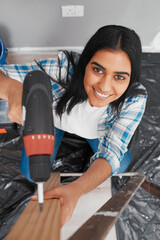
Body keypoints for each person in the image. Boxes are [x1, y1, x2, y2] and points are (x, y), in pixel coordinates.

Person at [0, 25, 147, 226]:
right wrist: (10, 89)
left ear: (131, 79)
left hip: (97, 132)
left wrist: (75, 189)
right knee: (29, 172)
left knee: (119, 164)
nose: (104, 87)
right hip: (54, 120)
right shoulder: (62, 70)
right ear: (84, 64)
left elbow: (111, 152)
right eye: (97, 69)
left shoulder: (134, 99)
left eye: (119, 77)